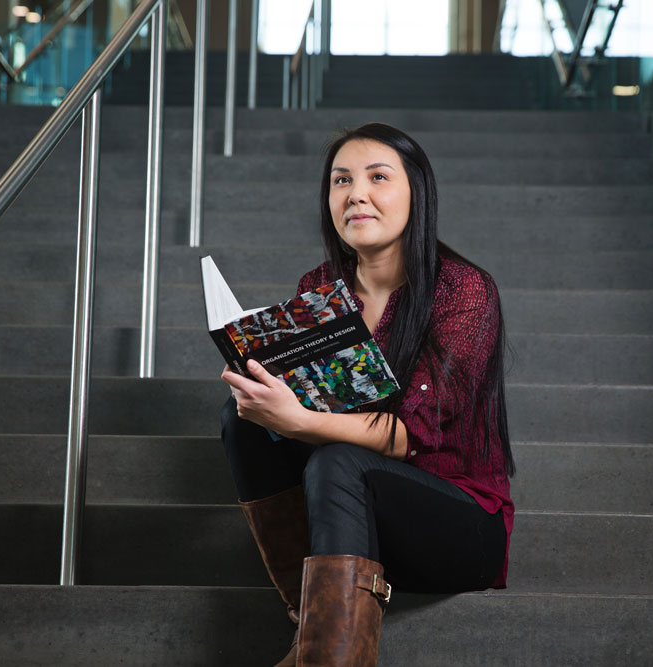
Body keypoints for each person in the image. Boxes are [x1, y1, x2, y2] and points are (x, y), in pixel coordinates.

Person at [220, 122, 514, 667]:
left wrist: (300, 422)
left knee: (339, 461)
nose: (356, 193)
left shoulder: (463, 292)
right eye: (341, 181)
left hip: (459, 528)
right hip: (347, 522)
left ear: (416, 193)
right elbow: (311, 404)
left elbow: (411, 437)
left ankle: (330, 658)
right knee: (243, 417)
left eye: (378, 177)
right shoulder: (320, 286)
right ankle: (311, 620)